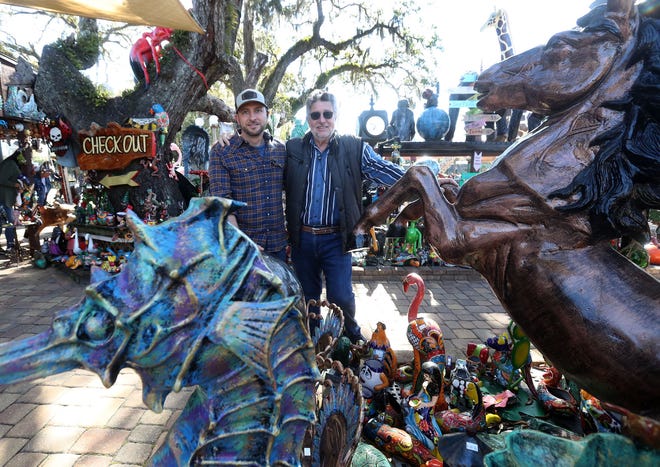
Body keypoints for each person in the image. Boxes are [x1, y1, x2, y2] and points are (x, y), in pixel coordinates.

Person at [285, 90, 405, 344]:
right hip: (303, 239)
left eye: (327, 114)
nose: (322, 120)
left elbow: (392, 174)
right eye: (315, 115)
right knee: (308, 297)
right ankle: (313, 342)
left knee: (341, 295)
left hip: (335, 240)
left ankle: (350, 336)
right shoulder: (293, 149)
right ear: (308, 119)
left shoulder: (354, 148)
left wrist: (427, 179)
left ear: (336, 116)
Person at [208, 88, 288, 262]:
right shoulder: (221, 152)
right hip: (242, 251)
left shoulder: (281, 150)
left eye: (258, 111)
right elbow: (223, 203)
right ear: (237, 118)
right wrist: (242, 241)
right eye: (245, 112)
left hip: (278, 246)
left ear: (267, 114)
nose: (252, 118)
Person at [0, 147, 31, 254]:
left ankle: (10, 245)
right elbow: (2, 180)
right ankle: (10, 246)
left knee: (7, 222)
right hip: (4, 199)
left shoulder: (10, 163)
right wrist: (15, 185)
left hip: (6, 198)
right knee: (10, 222)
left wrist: (19, 186)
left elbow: (19, 178)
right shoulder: (10, 164)